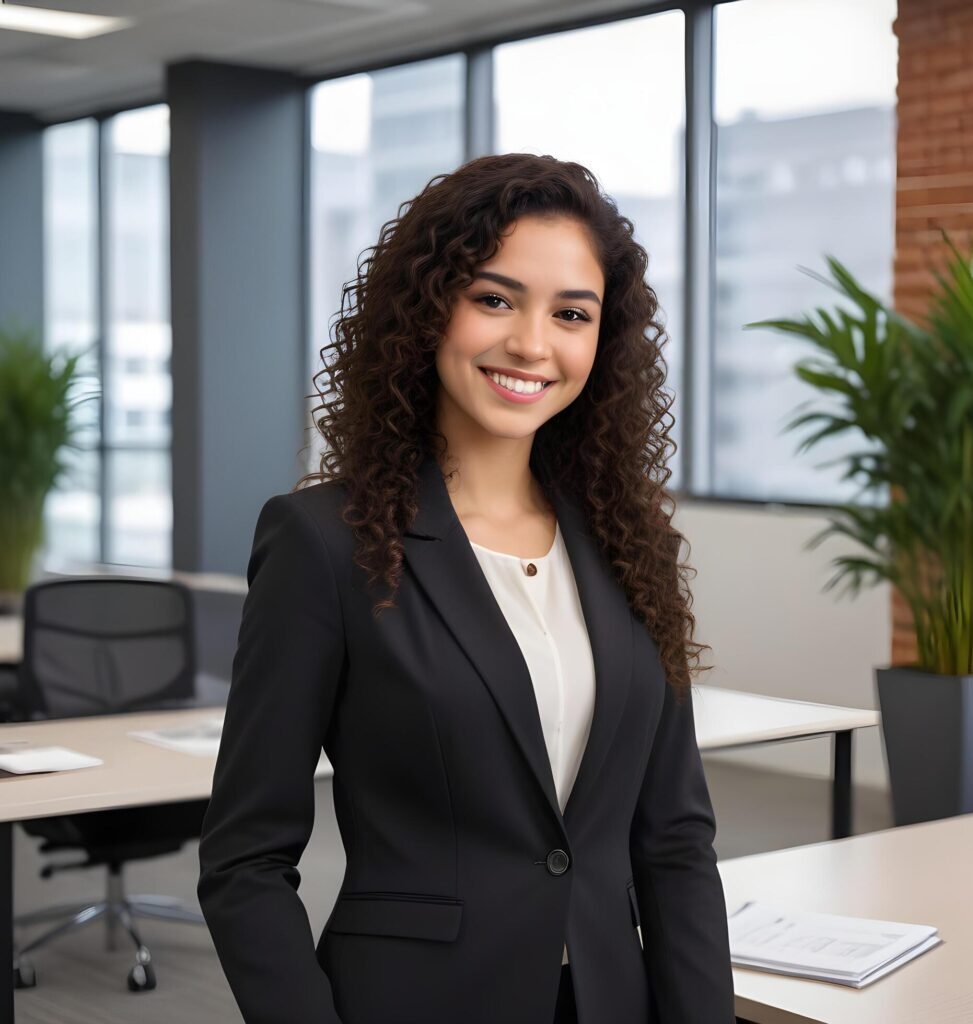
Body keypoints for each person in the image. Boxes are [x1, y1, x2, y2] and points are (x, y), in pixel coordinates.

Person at [196, 152, 735, 1024]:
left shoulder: (629, 548)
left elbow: (674, 841)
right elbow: (244, 862)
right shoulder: (325, 544)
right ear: (427, 308)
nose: (532, 342)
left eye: (571, 313)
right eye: (494, 298)